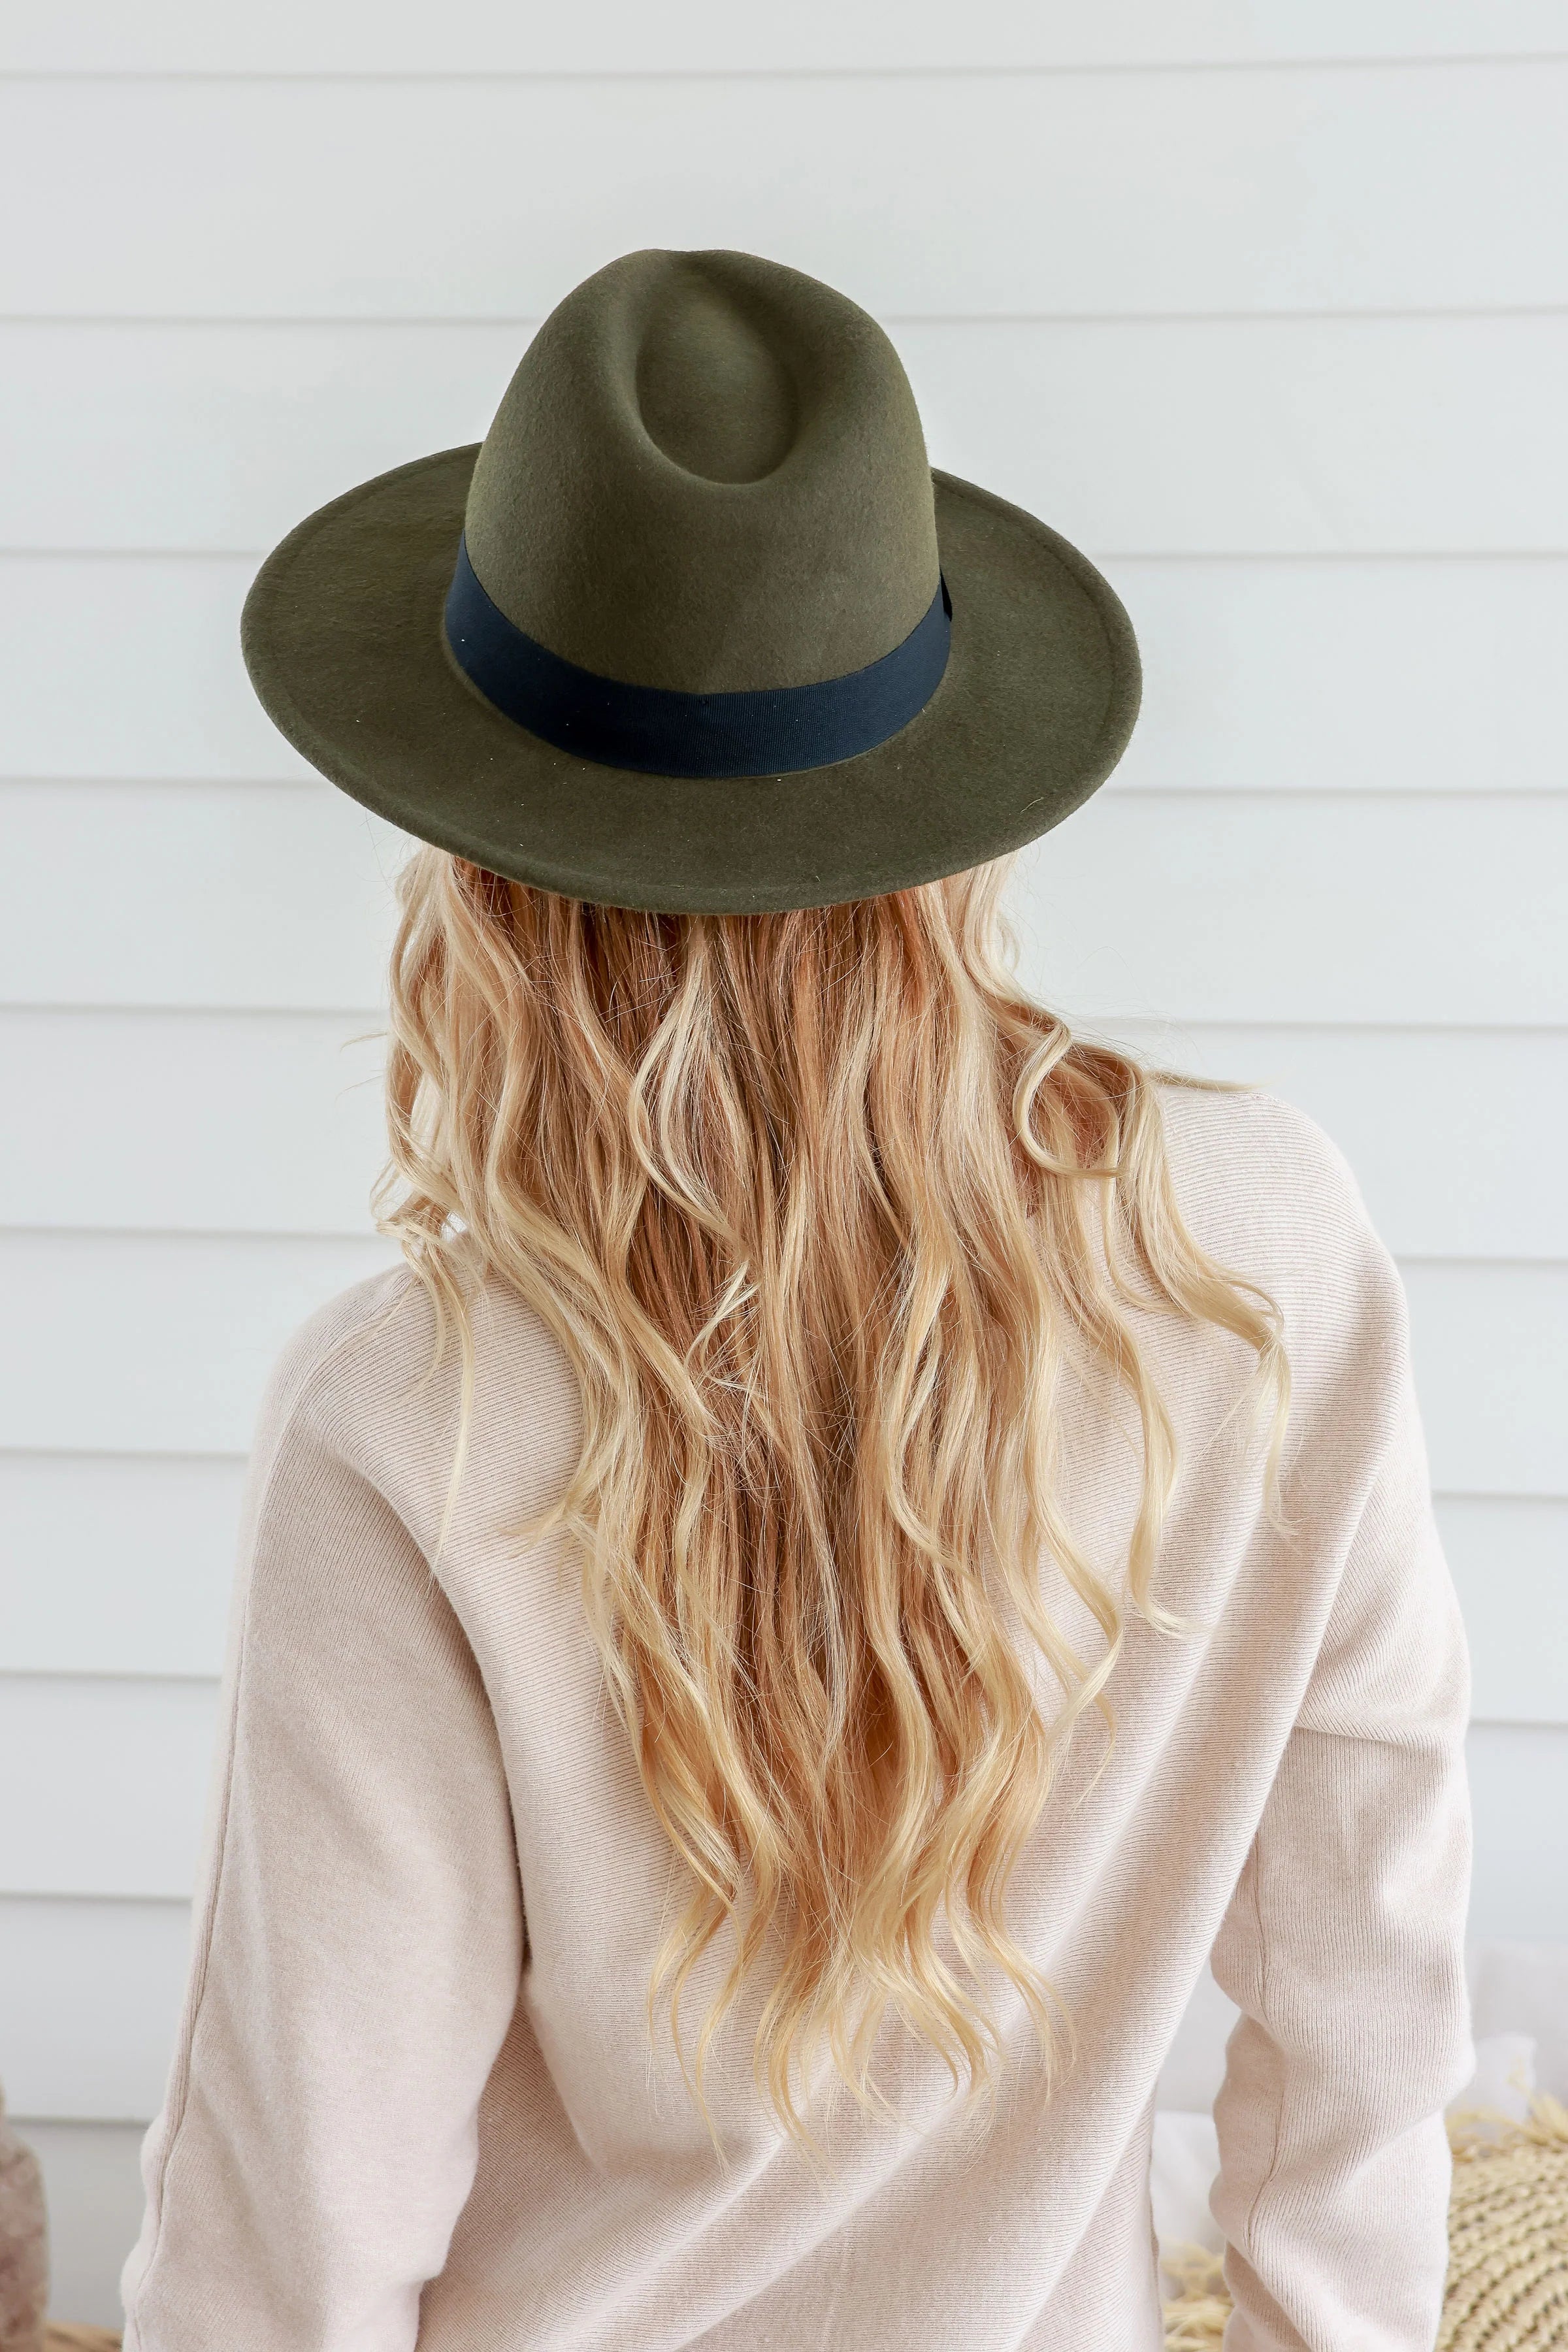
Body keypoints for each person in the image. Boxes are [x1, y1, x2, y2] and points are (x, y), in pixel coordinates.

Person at [120, 249, 1471, 2352]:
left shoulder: (409, 1424)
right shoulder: (1252, 1258)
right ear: (949, 808)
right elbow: (1367, 1985)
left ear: (480, 861)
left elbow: (288, 2257)